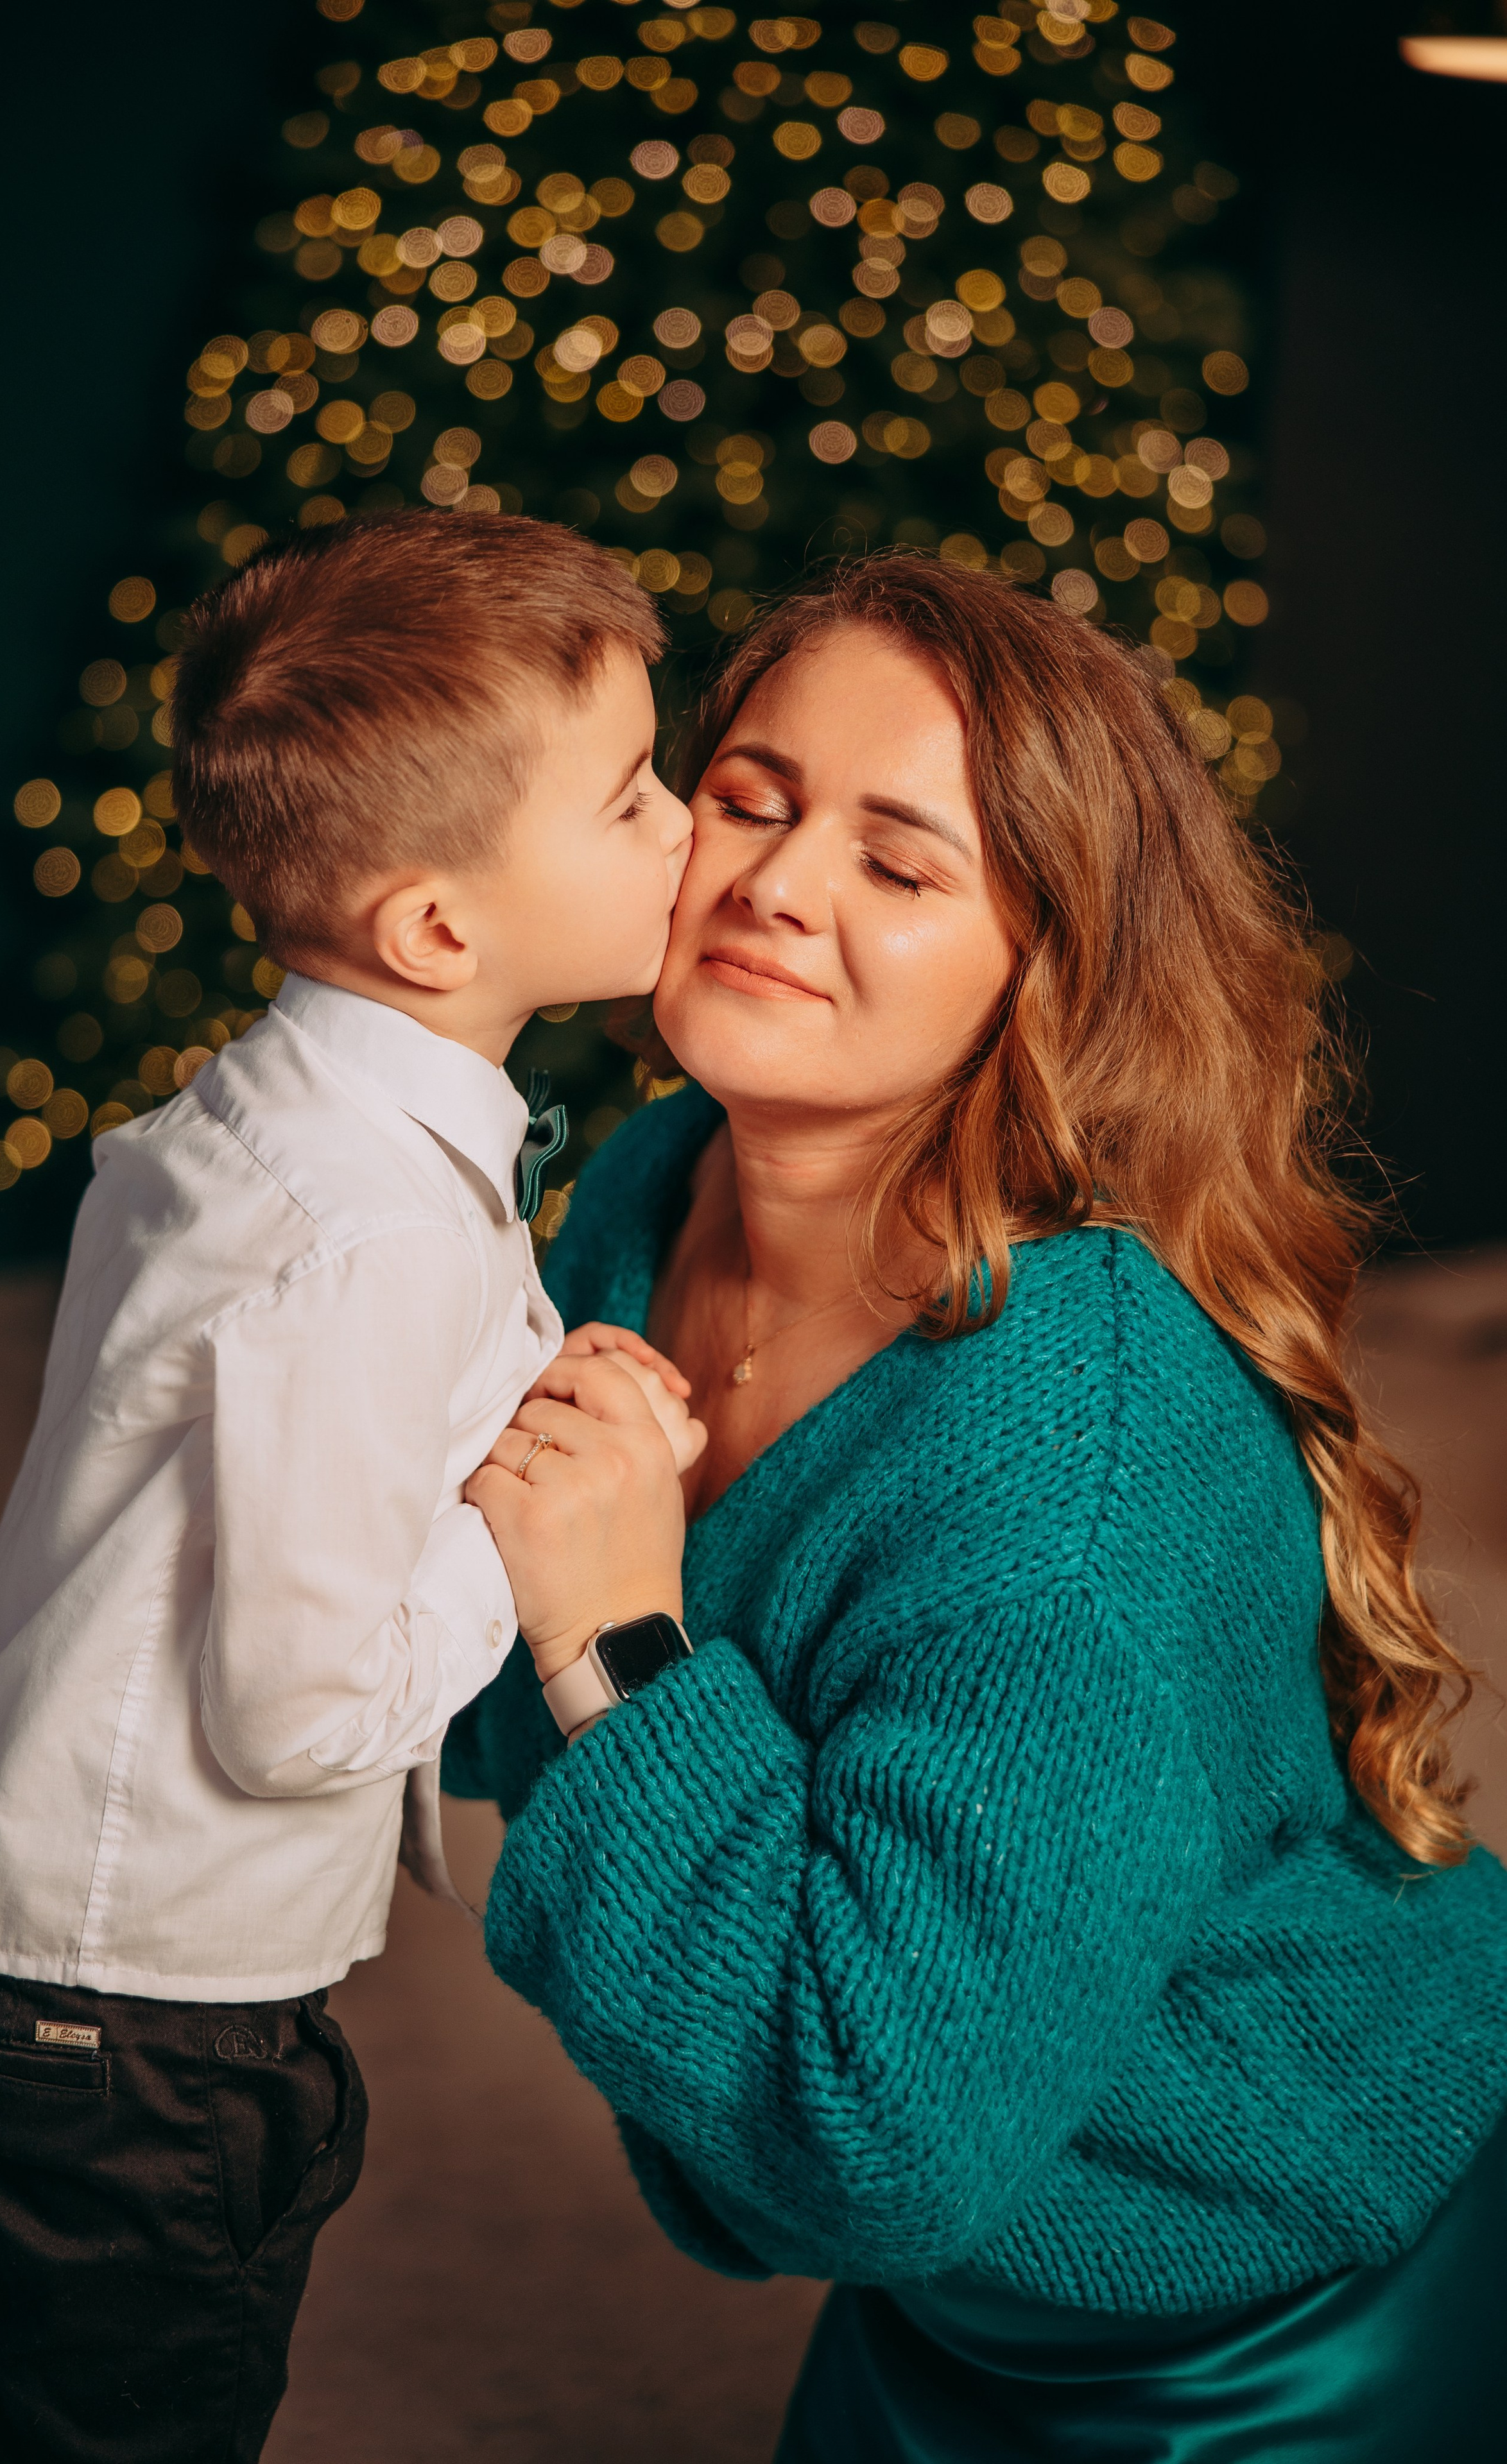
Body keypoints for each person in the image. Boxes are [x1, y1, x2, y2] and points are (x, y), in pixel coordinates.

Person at [447, 554, 1507, 2458]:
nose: (776, 885)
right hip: (961, 2279)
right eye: (753, 800)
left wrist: (615, 1638)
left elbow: (873, 2136)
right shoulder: (652, 1181)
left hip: (1261, 2300)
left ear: (1051, 969)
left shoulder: (1074, 1471)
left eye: (903, 862)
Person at [0, 510, 702, 2464]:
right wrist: (547, 1509)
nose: (686, 830)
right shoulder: (373, 1236)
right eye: (634, 796)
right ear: (438, 931)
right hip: (143, 2009)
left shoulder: (265, 1112)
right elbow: (303, 1706)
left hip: (24, 1941)